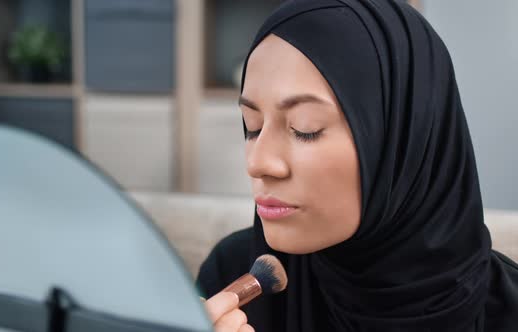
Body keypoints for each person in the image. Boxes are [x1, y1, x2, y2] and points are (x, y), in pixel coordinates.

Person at [196, 0, 518, 331]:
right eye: (252, 126)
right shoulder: (234, 279)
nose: (257, 162)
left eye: (305, 128)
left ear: (404, 138)